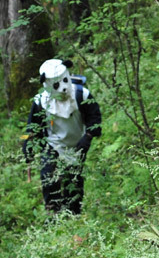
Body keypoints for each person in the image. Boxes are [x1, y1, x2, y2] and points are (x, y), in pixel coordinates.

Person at [22, 59, 101, 215]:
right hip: (52, 145)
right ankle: (54, 214)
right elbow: (32, 126)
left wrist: (88, 136)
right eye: (57, 84)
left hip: (77, 144)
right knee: (49, 178)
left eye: (65, 81)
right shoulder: (40, 102)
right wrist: (28, 145)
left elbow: (95, 118)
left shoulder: (82, 94)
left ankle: (74, 214)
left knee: (74, 181)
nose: (63, 88)